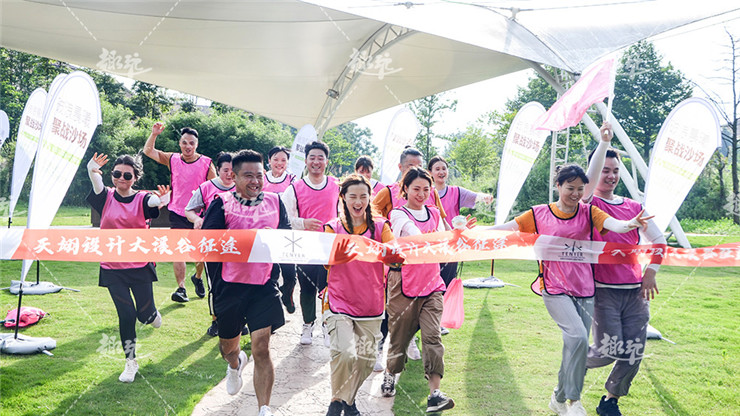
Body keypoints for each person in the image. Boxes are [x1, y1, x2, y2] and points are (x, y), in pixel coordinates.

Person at [491, 149, 653, 416]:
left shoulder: (590, 213)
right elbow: (506, 229)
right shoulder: (539, 214)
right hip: (554, 288)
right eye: (570, 188)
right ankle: (573, 402)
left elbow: (614, 224)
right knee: (578, 338)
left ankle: (557, 395)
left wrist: (631, 223)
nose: (576, 194)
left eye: (580, 189)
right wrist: (468, 233)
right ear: (558, 186)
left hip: (586, 290)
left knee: (574, 345)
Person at [583, 124, 666, 416]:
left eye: (615, 170)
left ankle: (610, 401)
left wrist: (651, 271)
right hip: (603, 290)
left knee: (633, 351)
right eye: (605, 170)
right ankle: (573, 365)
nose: (611, 176)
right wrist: (604, 142)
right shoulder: (588, 204)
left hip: (634, 292)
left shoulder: (634, 206)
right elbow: (588, 183)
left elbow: (659, 239)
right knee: (608, 350)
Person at [202, 150, 289, 416]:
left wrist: (289, 283)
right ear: (234, 176)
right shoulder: (222, 203)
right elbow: (208, 242)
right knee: (228, 347)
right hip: (230, 287)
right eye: (248, 175)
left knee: (262, 348)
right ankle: (234, 363)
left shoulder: (275, 201)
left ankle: (264, 408)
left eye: (259, 175)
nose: (255, 181)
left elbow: (287, 241)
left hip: (264, 286)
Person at [381, 166, 471, 413]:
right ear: (405, 189)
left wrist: (459, 234)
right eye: (416, 189)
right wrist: (437, 238)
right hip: (402, 284)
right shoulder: (398, 215)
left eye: (426, 189)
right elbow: (414, 235)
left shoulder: (434, 213)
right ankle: (390, 372)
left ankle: (435, 393)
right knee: (399, 339)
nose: (421, 194)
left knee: (432, 337)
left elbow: (446, 241)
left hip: (432, 284)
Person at [86, 152, 169, 383]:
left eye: (127, 175)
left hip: (139, 265)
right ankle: (130, 361)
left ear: (135, 177)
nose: (121, 178)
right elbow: (96, 182)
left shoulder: (143, 198)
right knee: (126, 314)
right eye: (116, 174)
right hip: (112, 268)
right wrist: (91, 169)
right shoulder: (105, 197)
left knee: (144, 315)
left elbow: (153, 202)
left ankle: (152, 314)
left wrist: (163, 200)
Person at [322, 174, 399, 416]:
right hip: (338, 302)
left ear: (369, 199)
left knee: (366, 361)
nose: (358, 201)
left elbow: (394, 252)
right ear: (343, 198)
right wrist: (336, 258)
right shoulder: (332, 228)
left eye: (363, 196)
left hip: (371, 306)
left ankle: (348, 400)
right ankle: (337, 402)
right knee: (345, 354)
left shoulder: (380, 227)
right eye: (353, 196)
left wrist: (392, 257)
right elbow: (322, 261)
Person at [370, 147, 448, 364]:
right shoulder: (389, 191)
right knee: (391, 315)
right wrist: (388, 230)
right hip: (397, 264)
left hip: (426, 265)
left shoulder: (427, 193)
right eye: (410, 167)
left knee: (422, 312)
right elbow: (372, 212)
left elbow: (441, 220)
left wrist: (456, 237)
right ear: (401, 168)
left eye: (419, 167)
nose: (414, 170)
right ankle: (379, 351)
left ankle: (411, 343)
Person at [143, 122, 216, 303]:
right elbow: (148, 151)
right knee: (179, 251)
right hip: (176, 212)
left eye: (191, 143)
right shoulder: (172, 159)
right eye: (184, 142)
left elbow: (214, 189)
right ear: (179, 143)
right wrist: (154, 134)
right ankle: (181, 288)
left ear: (196, 145)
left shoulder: (206, 163)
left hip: (198, 215)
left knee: (200, 254)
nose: (188, 146)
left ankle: (197, 278)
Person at [280, 140, 339, 346]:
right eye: (312, 158)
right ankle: (307, 325)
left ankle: (327, 327)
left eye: (320, 158)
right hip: (304, 246)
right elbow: (286, 218)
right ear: (306, 161)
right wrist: (303, 222)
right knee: (307, 287)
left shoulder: (336, 186)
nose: (316, 162)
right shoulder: (295, 188)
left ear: (326, 161)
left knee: (327, 288)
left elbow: (344, 214)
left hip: (329, 246)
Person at [428, 155, 493, 331]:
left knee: (447, 283)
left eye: (444, 168)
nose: (441, 172)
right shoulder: (425, 192)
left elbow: (476, 197)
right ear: (430, 173)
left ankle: (438, 322)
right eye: (437, 169)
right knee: (430, 284)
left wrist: (486, 197)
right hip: (430, 246)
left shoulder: (455, 192)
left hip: (453, 246)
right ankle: (426, 323)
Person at [184, 152, 237, 337]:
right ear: (218, 170)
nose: (230, 174)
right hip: (212, 244)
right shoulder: (206, 187)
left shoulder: (242, 188)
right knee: (215, 283)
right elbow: (188, 210)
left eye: (233, 170)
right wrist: (197, 220)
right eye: (225, 170)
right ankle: (215, 320)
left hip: (236, 245)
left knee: (236, 283)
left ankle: (237, 320)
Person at [263, 146, 298, 314]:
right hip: (265, 233)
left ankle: (287, 294)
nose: (279, 163)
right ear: (269, 160)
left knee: (291, 274)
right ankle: (272, 315)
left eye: (283, 160)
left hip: (286, 232)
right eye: (276, 159)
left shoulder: (293, 179)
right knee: (271, 274)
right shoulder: (261, 178)